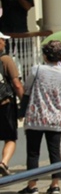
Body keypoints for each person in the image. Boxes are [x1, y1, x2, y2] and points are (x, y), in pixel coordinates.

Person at [18, 41, 61, 194]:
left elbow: (26, 88)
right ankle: (55, 184)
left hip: (36, 116)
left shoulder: (37, 69)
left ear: (45, 55)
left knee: (33, 152)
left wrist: (21, 111)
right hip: (56, 116)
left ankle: (32, 185)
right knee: (55, 152)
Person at [0, 31, 23, 175]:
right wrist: (25, 102)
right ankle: (4, 162)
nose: (5, 43)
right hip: (4, 103)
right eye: (3, 40)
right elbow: (17, 84)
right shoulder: (6, 59)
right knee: (10, 137)